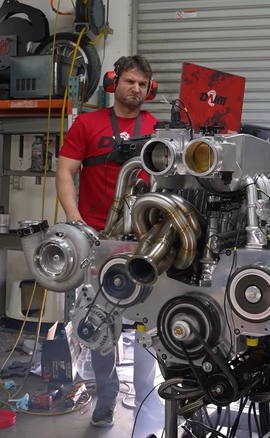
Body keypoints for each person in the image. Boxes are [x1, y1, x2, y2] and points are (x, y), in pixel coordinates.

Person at [56, 54, 161, 430]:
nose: (135, 89)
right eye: (130, 81)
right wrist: (75, 222)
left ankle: (149, 396)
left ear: (150, 89)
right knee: (100, 321)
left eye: (142, 84)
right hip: (100, 239)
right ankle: (107, 395)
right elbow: (65, 172)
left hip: (149, 241)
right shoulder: (87, 124)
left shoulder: (160, 126)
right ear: (114, 82)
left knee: (151, 321)